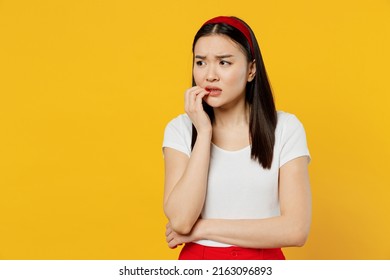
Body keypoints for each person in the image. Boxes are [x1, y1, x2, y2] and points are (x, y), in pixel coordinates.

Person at [162, 16, 311, 260]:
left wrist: (203, 229)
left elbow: (296, 230)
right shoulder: (179, 130)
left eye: (224, 63)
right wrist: (204, 132)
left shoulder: (285, 128)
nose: (210, 75)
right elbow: (180, 220)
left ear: (251, 69)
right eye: (200, 62)